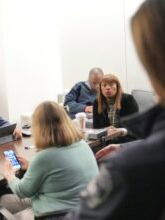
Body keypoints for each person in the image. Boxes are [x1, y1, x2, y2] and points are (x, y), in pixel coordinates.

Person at [64, 0, 165, 219]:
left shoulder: (128, 167)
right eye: (100, 84)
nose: (104, 87)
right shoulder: (92, 99)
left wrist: (124, 144)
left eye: (109, 84)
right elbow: (75, 109)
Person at [0, 101, 98, 219]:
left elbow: (21, 191)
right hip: (86, 211)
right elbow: (60, 170)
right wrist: (31, 166)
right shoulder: (82, 144)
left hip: (56, 215)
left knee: (3, 206)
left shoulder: (45, 156)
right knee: (4, 201)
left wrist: (9, 175)